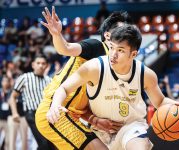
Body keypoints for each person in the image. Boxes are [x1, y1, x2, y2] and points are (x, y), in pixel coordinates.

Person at [49, 24, 179, 150]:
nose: (113, 55)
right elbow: (63, 88)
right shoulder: (94, 68)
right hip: (98, 131)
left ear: (133, 54)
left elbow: (160, 102)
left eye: (121, 50)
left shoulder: (146, 74)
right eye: (111, 48)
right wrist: (55, 104)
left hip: (130, 128)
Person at [35, 6, 133, 150]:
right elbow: (66, 48)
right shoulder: (96, 46)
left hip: (72, 116)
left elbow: (82, 106)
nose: (126, 35)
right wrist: (57, 34)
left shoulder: (115, 66)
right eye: (121, 30)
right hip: (55, 110)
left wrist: (96, 120)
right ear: (107, 35)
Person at [9, 54, 54, 150]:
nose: (41, 65)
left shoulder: (49, 80)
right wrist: (14, 113)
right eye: (38, 63)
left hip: (46, 114)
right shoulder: (25, 77)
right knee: (44, 143)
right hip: (31, 113)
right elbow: (12, 97)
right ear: (33, 64)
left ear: (46, 66)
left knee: (50, 144)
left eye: (43, 63)